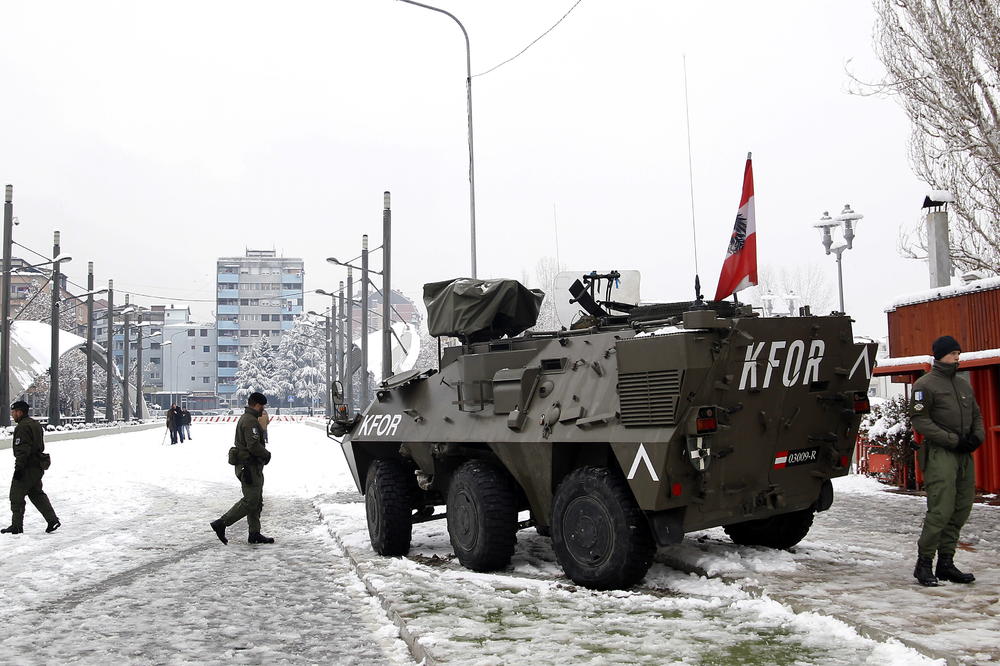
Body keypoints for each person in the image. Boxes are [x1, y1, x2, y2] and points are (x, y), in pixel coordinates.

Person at [909, 335, 984, 586]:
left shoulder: (962, 385)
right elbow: (920, 420)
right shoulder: (925, 385)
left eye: (958, 354)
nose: (957, 357)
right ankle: (924, 564)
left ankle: (946, 563)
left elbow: (976, 415)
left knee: (961, 508)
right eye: (953, 353)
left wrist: (977, 437)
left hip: (964, 454)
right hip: (941, 453)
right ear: (940, 355)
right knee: (941, 509)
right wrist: (952, 440)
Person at [210, 392, 274, 545]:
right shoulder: (250, 421)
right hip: (249, 466)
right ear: (257, 405)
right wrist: (266, 454)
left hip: (251, 466)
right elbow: (253, 445)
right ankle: (221, 523)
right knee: (250, 501)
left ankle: (254, 533)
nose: (263, 409)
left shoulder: (248, 418)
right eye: (262, 406)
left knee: (256, 501)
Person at [2, 401, 60, 535]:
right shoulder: (35, 424)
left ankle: (16, 526)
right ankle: (52, 520)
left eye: (14, 412)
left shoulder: (23, 427)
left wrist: (19, 469)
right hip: (37, 465)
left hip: (27, 467)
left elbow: (23, 450)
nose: (12, 415)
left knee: (16, 495)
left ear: (20, 412)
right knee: (36, 493)